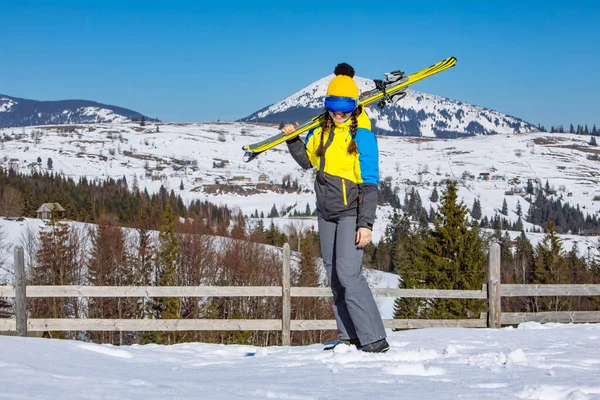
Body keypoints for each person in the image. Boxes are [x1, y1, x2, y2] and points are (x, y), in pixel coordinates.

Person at [282, 62, 389, 353]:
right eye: (333, 109)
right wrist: (293, 140)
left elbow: (370, 184)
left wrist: (365, 224)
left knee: (349, 273)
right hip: (325, 211)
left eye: (344, 110)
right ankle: (348, 336)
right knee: (332, 275)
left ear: (354, 107)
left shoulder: (363, 136)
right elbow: (307, 161)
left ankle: (373, 339)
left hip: (351, 212)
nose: (338, 115)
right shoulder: (322, 131)